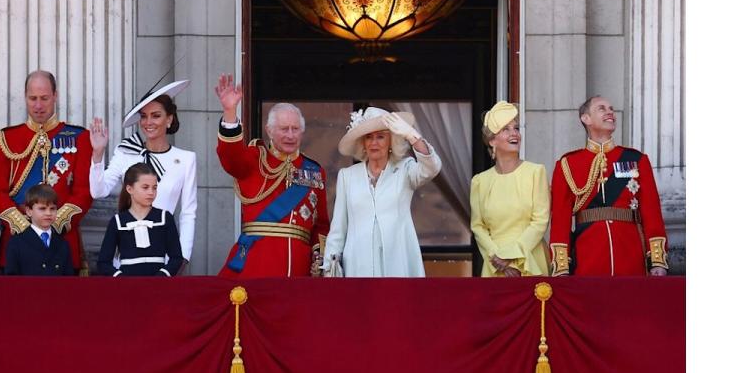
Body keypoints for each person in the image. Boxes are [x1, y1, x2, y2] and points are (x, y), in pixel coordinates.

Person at [214, 73, 330, 278]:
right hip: (256, 263)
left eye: (296, 129)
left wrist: (318, 258)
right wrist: (230, 112)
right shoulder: (254, 159)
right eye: (284, 129)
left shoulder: (314, 171)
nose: (290, 135)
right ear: (269, 130)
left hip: (299, 268)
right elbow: (230, 157)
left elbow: (320, 225)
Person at [549, 95, 668, 276]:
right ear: (585, 119)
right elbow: (560, 218)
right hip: (588, 257)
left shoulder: (636, 159)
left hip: (631, 253)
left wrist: (657, 261)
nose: (610, 112)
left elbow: (651, 212)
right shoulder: (568, 163)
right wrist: (562, 266)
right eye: (602, 108)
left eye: (611, 108)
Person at [0, 70, 93, 273]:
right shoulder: (5, 139)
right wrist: (25, 227)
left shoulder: (79, 137)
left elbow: (84, 190)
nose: (38, 105)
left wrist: (54, 223)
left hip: (62, 243)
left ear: (55, 96)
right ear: (25, 97)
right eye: (32, 98)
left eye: (44, 98)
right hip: (16, 242)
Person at [89, 80, 197, 270]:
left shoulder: (186, 159)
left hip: (164, 256)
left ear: (169, 119)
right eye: (144, 116)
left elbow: (188, 213)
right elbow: (98, 191)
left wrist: (182, 258)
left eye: (156, 116)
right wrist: (97, 155)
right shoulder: (125, 152)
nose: (148, 122)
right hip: (127, 255)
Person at [322, 107, 442, 277]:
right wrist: (329, 267)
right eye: (368, 137)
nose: (374, 143)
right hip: (358, 265)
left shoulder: (405, 170)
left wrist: (411, 135)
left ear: (391, 141)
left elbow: (432, 167)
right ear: (362, 143)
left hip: (398, 263)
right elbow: (338, 229)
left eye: (380, 137)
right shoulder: (347, 176)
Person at [469, 101, 550, 277]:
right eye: (506, 129)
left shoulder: (536, 172)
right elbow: (478, 227)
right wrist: (498, 259)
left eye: (516, 128)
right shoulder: (480, 182)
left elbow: (540, 221)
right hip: (495, 266)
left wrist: (511, 256)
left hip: (530, 260)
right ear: (492, 140)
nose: (514, 133)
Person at [96, 163, 184, 277]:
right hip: (128, 288)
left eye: (154, 187)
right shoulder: (117, 221)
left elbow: (176, 258)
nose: (151, 192)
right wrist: (121, 278)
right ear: (129, 189)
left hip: (159, 288)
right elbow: (103, 263)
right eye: (145, 187)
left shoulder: (165, 218)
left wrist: (163, 275)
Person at [4, 184, 74, 275]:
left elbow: (68, 281)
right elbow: (11, 280)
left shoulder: (62, 244)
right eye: (42, 209)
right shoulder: (17, 243)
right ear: (29, 211)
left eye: (52, 209)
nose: (48, 213)